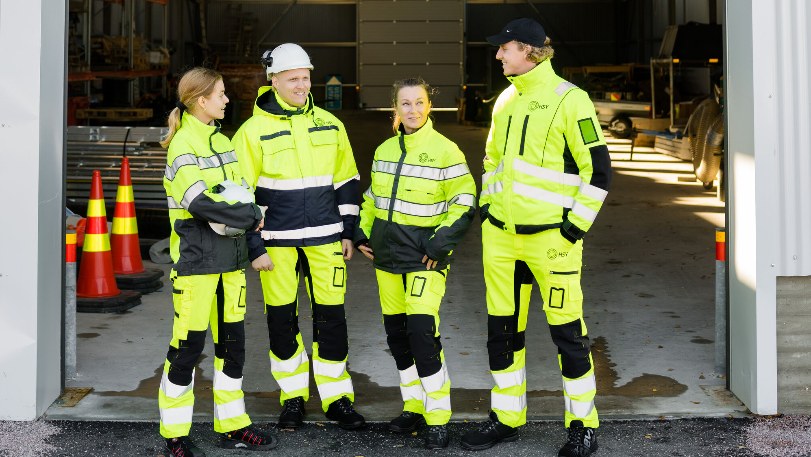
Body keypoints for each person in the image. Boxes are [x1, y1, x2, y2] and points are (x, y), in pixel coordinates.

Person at [459, 18, 612, 457]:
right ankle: (506, 418)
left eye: (504, 48)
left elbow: (598, 172)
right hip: (501, 241)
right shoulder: (505, 100)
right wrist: (489, 211)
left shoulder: (570, 99)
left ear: (527, 50)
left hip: (552, 242)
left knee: (568, 336)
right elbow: (491, 162)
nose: (498, 55)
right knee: (502, 333)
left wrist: (573, 230)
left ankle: (583, 426)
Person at [232, 43, 364, 430]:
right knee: (281, 321)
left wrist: (348, 231)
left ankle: (337, 399)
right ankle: (292, 398)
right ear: (273, 80)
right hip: (276, 243)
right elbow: (240, 195)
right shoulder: (251, 132)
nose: (301, 85)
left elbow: (347, 180)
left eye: (305, 78)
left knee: (332, 321)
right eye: (293, 79)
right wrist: (254, 246)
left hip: (327, 240)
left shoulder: (330, 124)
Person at [159, 67, 278, 457]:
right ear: (200, 99)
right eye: (221, 94)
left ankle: (232, 424)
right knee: (187, 350)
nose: (227, 99)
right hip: (197, 265)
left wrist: (252, 234)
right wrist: (249, 216)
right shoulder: (183, 145)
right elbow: (198, 201)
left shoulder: (223, 141)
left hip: (232, 262)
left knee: (233, 348)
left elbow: (241, 193)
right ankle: (175, 436)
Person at [354, 78, 476, 449]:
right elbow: (372, 199)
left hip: (425, 260)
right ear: (396, 109)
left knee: (422, 334)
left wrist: (440, 244)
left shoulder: (446, 150)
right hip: (387, 259)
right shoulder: (385, 150)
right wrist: (362, 233)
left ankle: (437, 416)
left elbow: (465, 200)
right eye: (405, 103)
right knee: (398, 336)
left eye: (419, 102)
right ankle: (413, 406)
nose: (413, 110)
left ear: (429, 106)